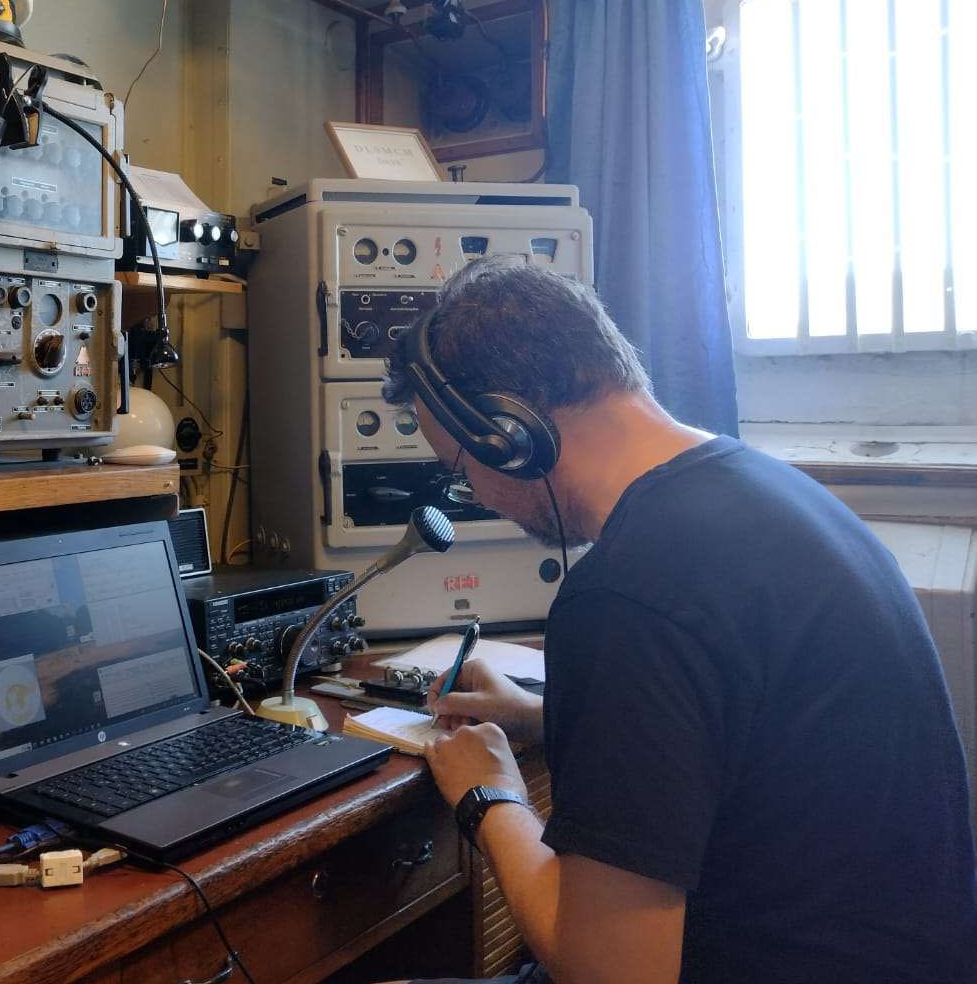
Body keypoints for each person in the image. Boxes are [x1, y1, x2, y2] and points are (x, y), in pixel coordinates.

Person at [378, 256, 977, 984]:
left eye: (459, 467)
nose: (472, 493)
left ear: (507, 432)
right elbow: (751, 736)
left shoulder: (627, 592)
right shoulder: (774, 489)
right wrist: (545, 718)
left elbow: (609, 975)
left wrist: (490, 794)